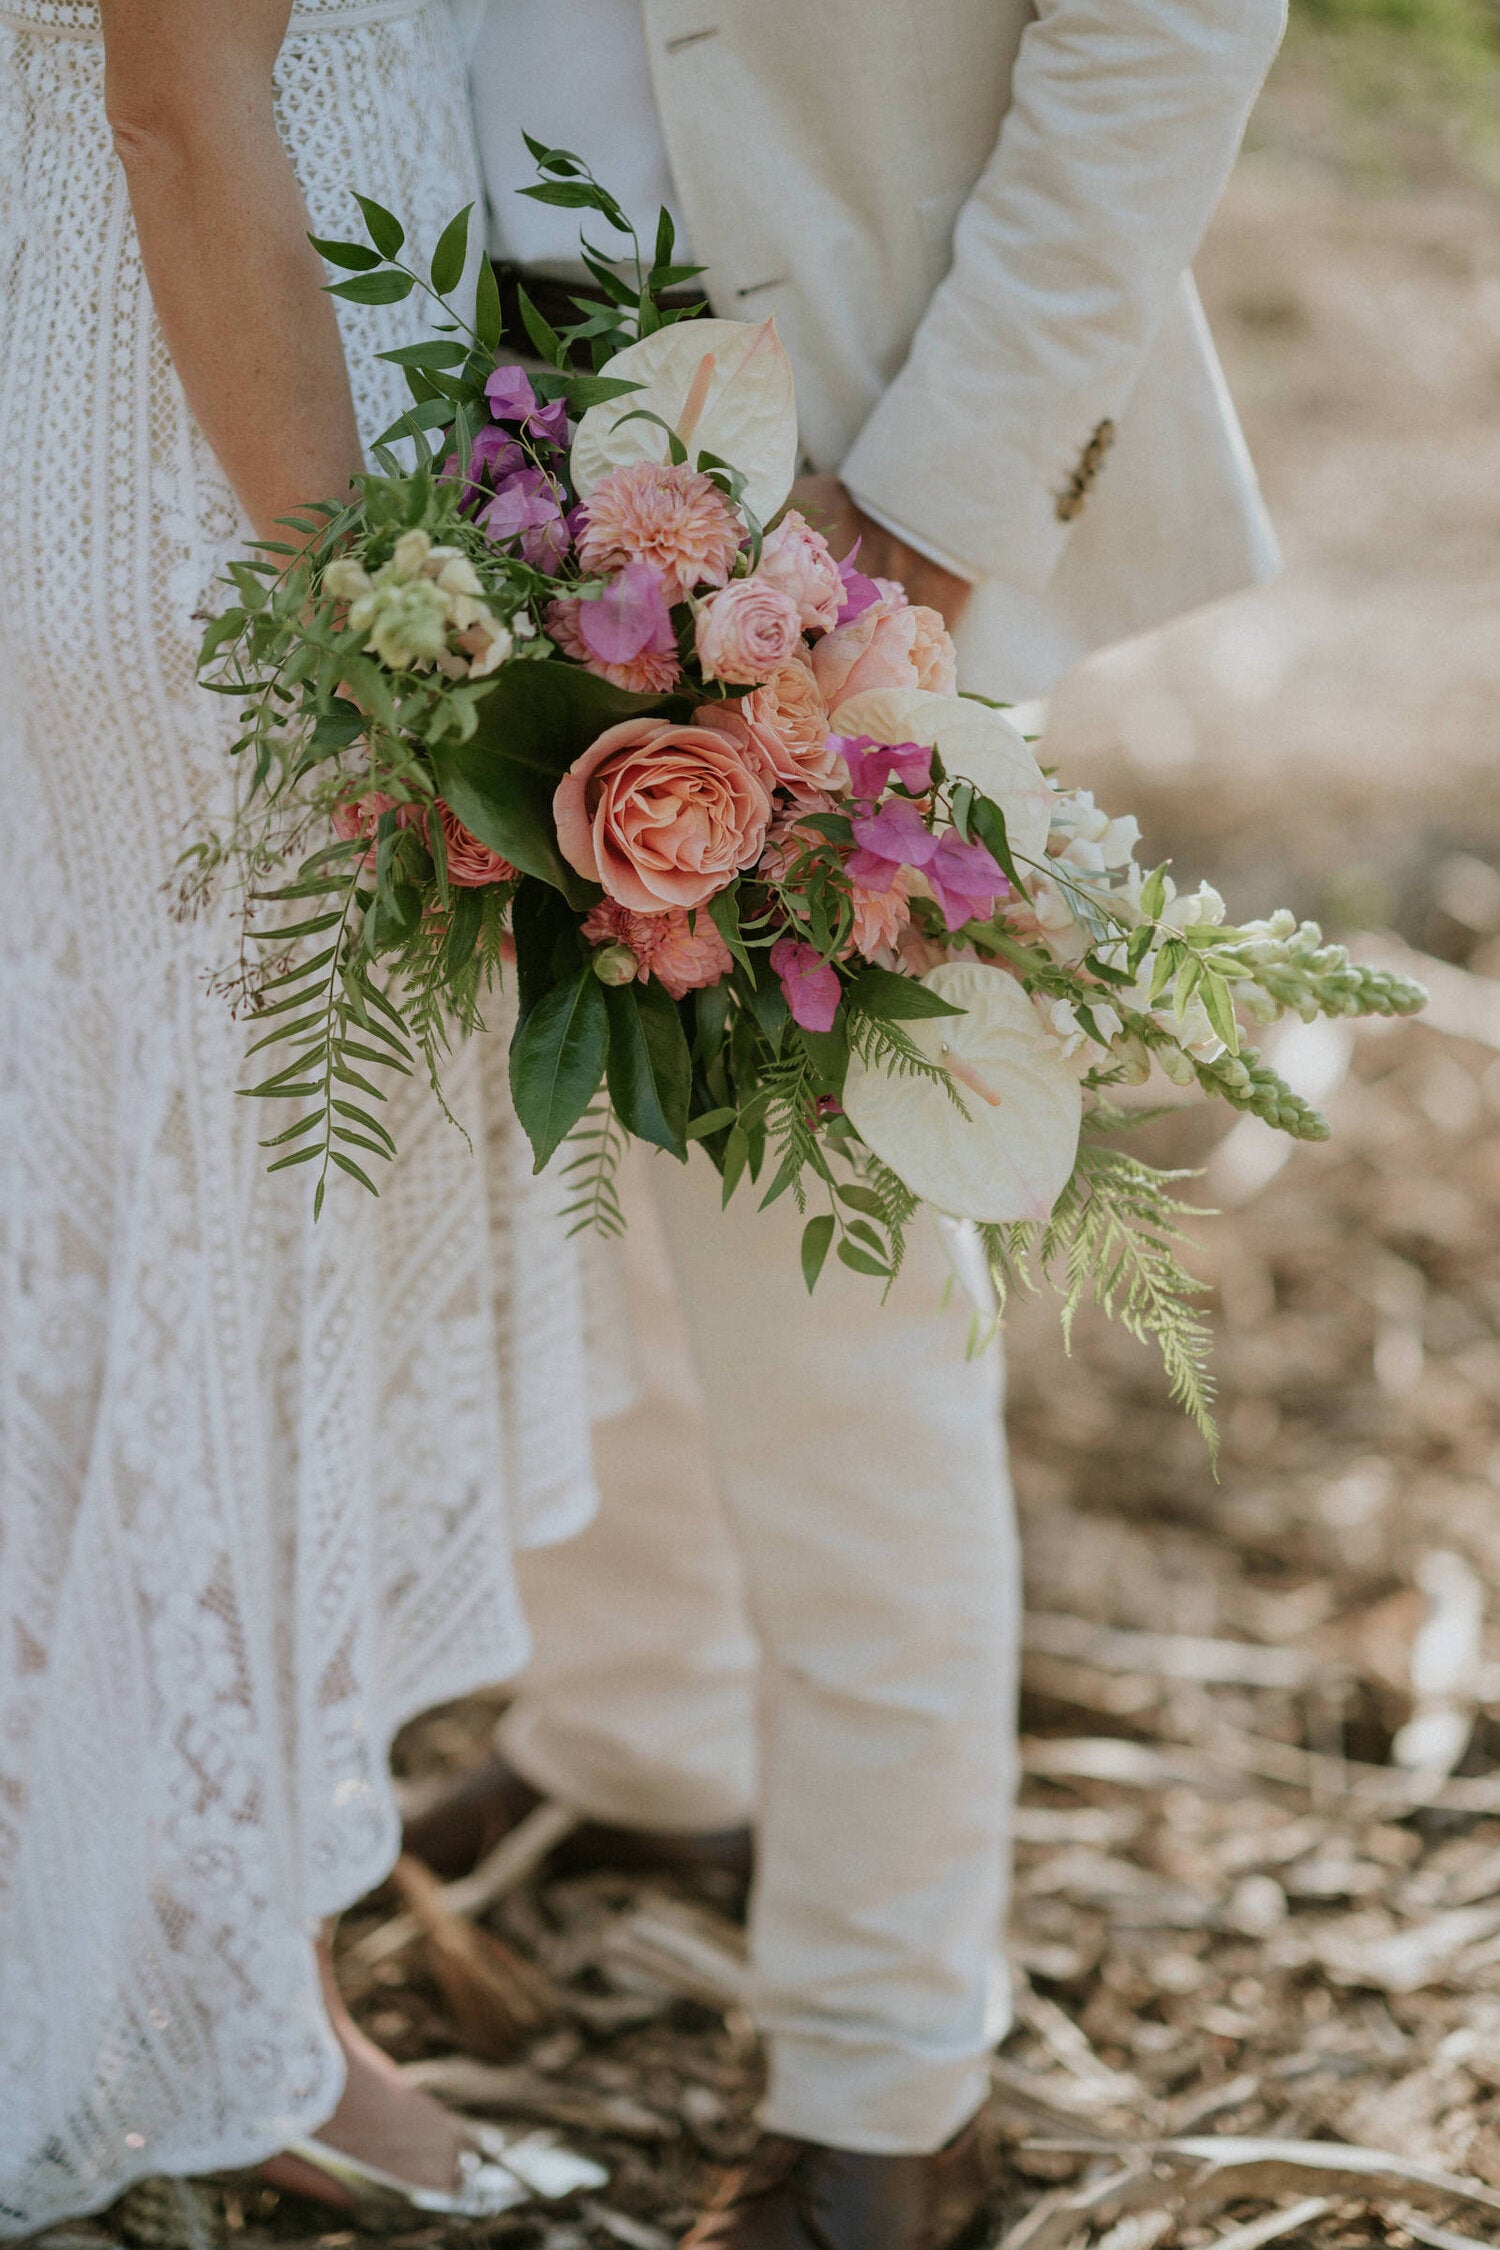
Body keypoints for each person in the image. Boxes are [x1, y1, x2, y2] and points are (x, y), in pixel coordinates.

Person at [430, 4, 1287, 2243]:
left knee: (839, 1292)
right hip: (458, 423)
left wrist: (923, 510)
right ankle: (638, 1738)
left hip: (864, 437)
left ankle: (892, 2091)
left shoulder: (899, 500)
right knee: (565, 1138)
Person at [0, 0, 611, 2229]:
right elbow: (176, 86)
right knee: (222, 1244)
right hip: (230, 483)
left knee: (156, 1230)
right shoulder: (307, 562)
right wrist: (364, 599)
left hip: (221, 399)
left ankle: (184, 1952)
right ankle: (228, 2010)